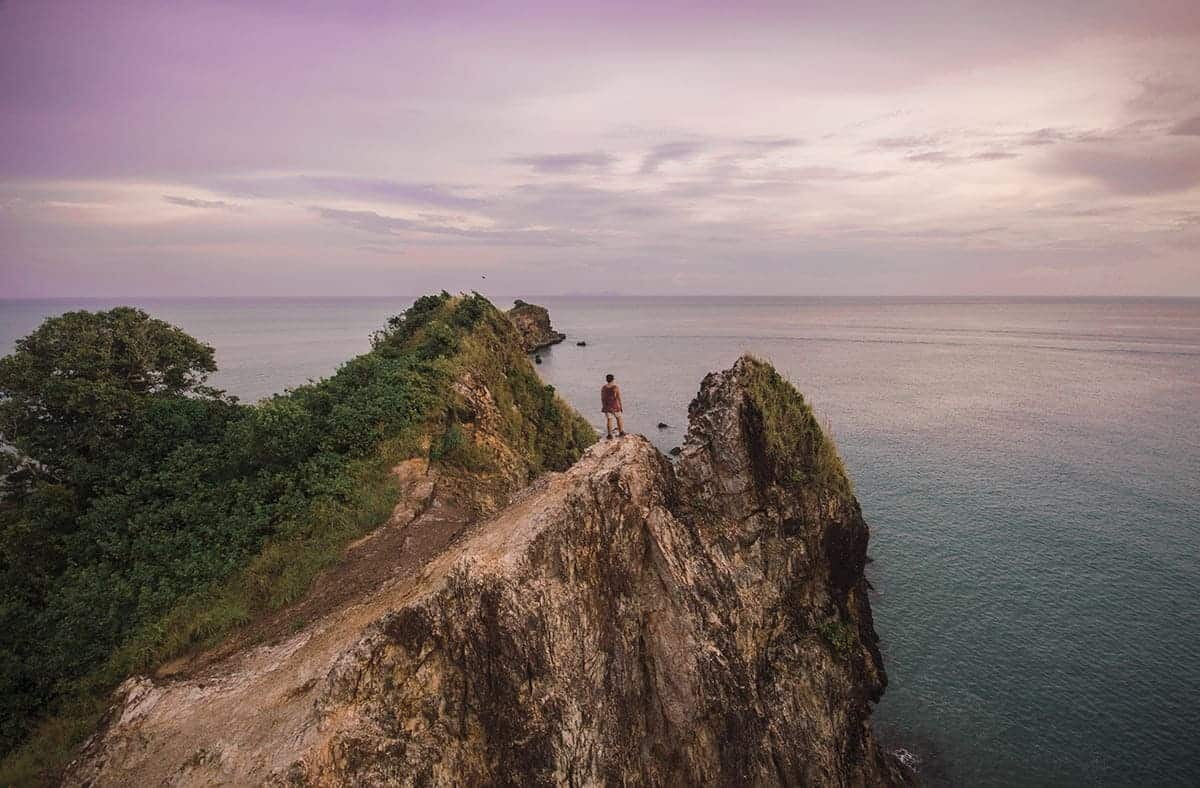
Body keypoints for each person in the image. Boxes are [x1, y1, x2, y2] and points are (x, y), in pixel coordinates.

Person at [601, 373, 625, 439]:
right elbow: (618, 397)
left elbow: (603, 398)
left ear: (606, 380)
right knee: (619, 418)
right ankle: (621, 432)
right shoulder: (615, 387)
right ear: (613, 380)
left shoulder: (604, 388)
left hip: (607, 406)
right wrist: (621, 406)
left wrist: (604, 406)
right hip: (615, 406)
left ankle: (609, 435)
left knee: (609, 420)